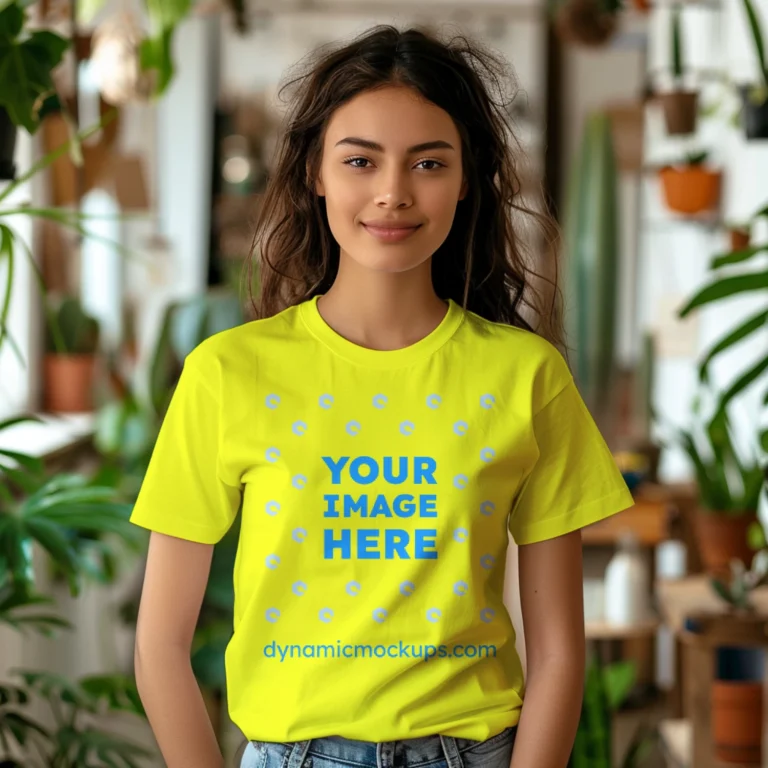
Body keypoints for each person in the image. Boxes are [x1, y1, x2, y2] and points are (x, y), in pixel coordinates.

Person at [130, 24, 635, 768]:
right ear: (316, 173)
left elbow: (560, 651)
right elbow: (160, 645)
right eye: (360, 160)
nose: (393, 193)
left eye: (428, 162)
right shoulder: (227, 372)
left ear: (467, 179)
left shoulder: (526, 377)